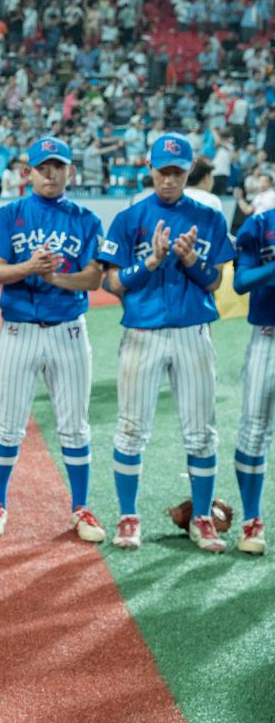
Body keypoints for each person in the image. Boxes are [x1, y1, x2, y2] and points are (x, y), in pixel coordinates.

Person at [97, 133, 238, 551]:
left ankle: (202, 519)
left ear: (189, 169)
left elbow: (215, 281)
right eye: (163, 171)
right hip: (142, 333)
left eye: (177, 172)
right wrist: (151, 262)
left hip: (193, 332)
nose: (169, 179)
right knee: (131, 429)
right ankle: (127, 517)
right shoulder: (130, 218)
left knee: (201, 433)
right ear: (149, 168)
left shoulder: (209, 216)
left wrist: (192, 260)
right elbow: (112, 282)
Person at [0, 137, 106, 542]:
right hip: (19, 331)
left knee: (75, 425)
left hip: (68, 330)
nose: (50, 173)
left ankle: (81, 507)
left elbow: (94, 278)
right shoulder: (9, 214)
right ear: (28, 173)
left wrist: (54, 278)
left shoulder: (86, 219)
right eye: (42, 167)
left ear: (70, 171)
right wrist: (31, 266)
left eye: (58, 166)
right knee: (9, 424)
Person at [232, 201, 275, 556]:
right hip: (266, 337)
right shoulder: (260, 224)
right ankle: (251, 520)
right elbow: (241, 282)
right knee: (253, 430)